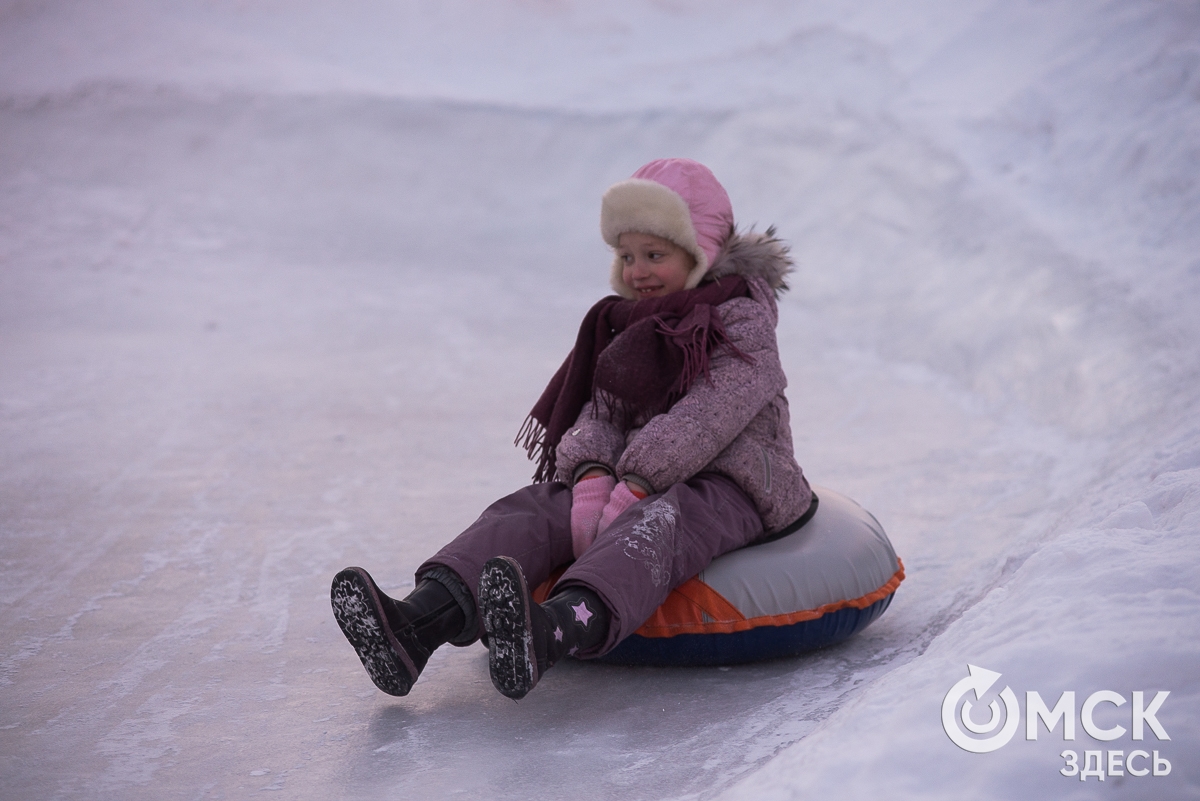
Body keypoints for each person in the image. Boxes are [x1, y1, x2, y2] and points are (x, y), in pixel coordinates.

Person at [331, 158, 813, 700]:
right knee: (535, 508)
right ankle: (419, 622)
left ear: (702, 253)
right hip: (640, 470)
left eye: (655, 255)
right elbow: (602, 409)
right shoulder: (626, 322)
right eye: (627, 257)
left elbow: (713, 411)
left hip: (736, 481)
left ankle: (553, 629)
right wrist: (588, 474)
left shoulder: (741, 317)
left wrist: (636, 480)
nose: (638, 272)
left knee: (661, 523)